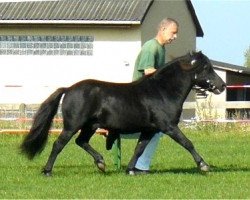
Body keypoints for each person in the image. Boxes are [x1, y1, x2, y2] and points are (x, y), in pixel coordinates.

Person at [132, 17, 179, 174]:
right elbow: (148, 72)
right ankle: (141, 166)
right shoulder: (151, 47)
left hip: (149, 98)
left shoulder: (160, 48)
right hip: (139, 98)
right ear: (163, 29)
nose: (175, 37)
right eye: (173, 32)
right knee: (157, 129)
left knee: (157, 131)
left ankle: (140, 165)